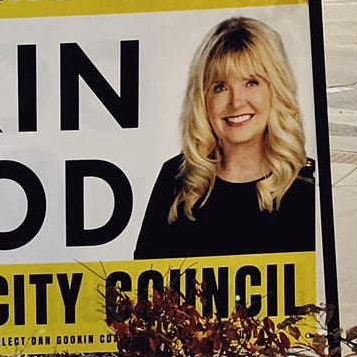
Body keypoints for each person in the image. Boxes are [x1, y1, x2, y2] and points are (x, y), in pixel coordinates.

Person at [133, 16, 315, 259]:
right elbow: (144, 284)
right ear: (202, 98)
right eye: (220, 87)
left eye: (252, 82)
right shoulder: (175, 177)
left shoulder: (305, 184)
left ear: (276, 89)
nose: (236, 101)